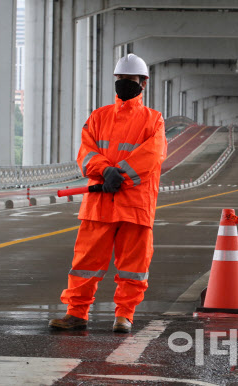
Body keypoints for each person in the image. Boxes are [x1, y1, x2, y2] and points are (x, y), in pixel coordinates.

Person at [49, 54, 166, 333]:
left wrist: (119, 174)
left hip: (134, 205)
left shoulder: (154, 120)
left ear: (143, 83)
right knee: (84, 263)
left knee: (133, 266)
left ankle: (124, 315)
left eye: (130, 80)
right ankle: (76, 313)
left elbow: (153, 155)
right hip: (100, 202)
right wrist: (105, 171)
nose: (125, 84)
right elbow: (86, 153)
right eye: (121, 80)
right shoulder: (98, 117)